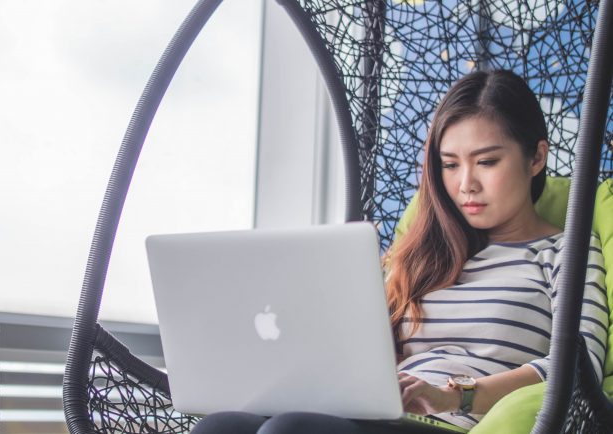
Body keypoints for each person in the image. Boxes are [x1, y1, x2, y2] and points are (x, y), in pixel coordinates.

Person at [189, 69, 608, 434]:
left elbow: (578, 371)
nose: (466, 184)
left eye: (486, 162)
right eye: (450, 164)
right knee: (221, 426)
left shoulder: (565, 253)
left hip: (450, 422)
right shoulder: (426, 252)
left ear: (536, 157)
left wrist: (455, 396)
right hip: (376, 415)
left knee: (292, 430)